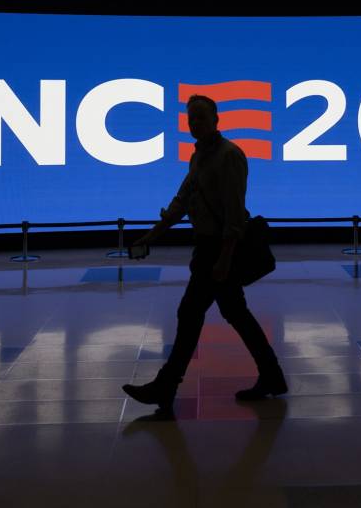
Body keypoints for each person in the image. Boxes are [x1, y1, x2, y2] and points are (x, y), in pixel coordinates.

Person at [122, 94, 287, 411]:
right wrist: (150, 237)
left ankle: (166, 385)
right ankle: (272, 376)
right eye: (190, 118)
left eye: (200, 117)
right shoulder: (198, 158)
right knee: (235, 314)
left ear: (216, 120)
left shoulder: (229, 157)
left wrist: (225, 257)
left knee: (190, 313)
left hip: (219, 250)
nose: (194, 123)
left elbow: (234, 213)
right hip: (208, 249)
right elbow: (180, 202)